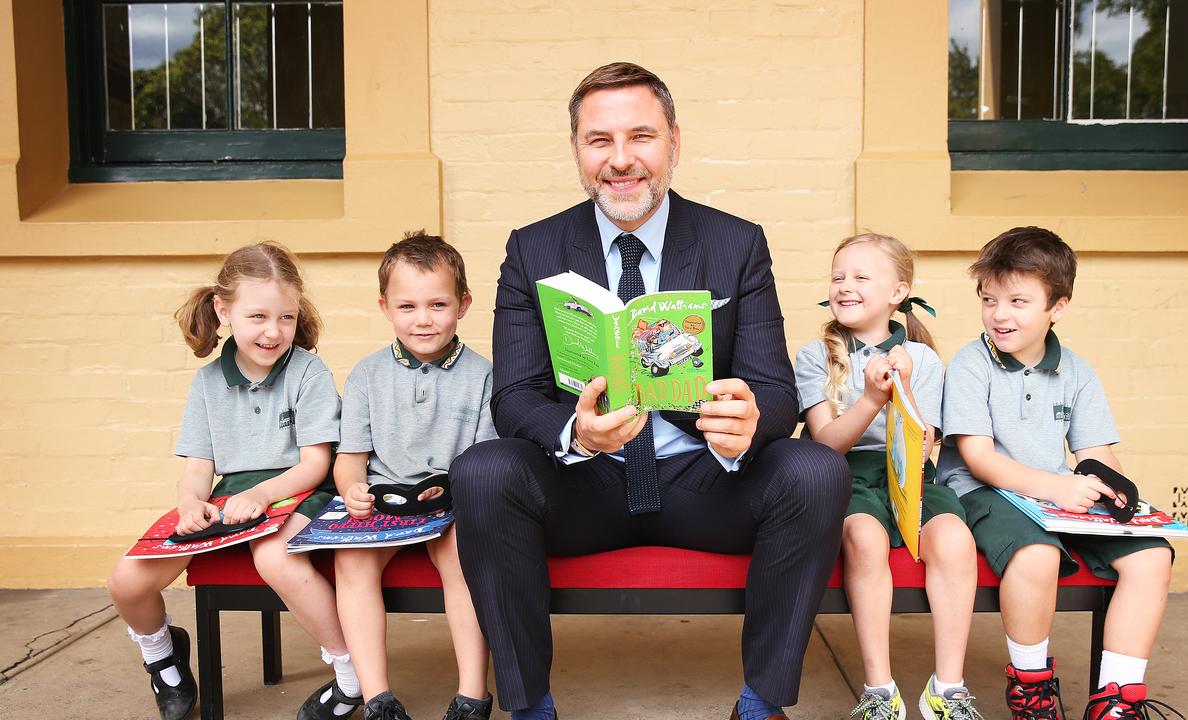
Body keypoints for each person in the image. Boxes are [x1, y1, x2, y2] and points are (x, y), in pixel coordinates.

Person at [450, 62, 849, 720]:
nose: (621, 159)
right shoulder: (534, 248)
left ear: (674, 144)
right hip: (586, 484)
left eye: (641, 136)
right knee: (483, 470)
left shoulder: (735, 243)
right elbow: (515, 396)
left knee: (813, 470)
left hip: (707, 480)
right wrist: (576, 434)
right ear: (576, 151)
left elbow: (775, 389)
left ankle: (761, 705)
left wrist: (749, 419)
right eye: (599, 140)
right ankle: (528, 709)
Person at [106, 242, 360, 720]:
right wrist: (189, 504)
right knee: (125, 580)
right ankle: (162, 655)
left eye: (286, 317)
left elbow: (316, 463)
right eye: (258, 316)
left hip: (298, 492)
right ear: (223, 310)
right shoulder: (206, 383)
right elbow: (200, 466)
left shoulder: (308, 371)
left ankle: (351, 674)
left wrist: (263, 494)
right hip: (230, 500)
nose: (274, 331)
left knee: (276, 558)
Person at [936, 227, 1180, 720]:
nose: (1000, 314)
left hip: (1056, 492)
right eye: (990, 299)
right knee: (1036, 555)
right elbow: (979, 458)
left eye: (1018, 301)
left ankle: (1116, 697)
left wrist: (1122, 498)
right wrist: (1056, 487)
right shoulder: (970, 365)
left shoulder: (1077, 371)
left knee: (1153, 555)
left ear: (1058, 307)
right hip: (987, 491)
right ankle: (1032, 684)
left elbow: (1095, 453)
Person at [795, 234, 983, 720]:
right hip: (846, 473)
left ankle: (949, 689)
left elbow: (928, 439)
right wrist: (870, 400)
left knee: (956, 540)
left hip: (912, 471)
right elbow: (826, 443)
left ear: (898, 291)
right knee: (863, 537)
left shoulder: (922, 359)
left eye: (861, 277)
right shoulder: (818, 357)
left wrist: (903, 388)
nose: (845, 286)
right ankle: (880, 692)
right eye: (838, 276)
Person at [332, 232, 496, 720]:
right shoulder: (366, 376)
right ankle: (376, 696)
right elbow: (350, 457)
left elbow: (487, 456)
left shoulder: (486, 375)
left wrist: (456, 497)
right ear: (385, 308)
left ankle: (472, 694)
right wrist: (352, 490)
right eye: (407, 306)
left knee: (463, 560)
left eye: (437, 304)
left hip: (452, 499)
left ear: (463, 304)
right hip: (384, 500)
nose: (422, 319)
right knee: (352, 563)